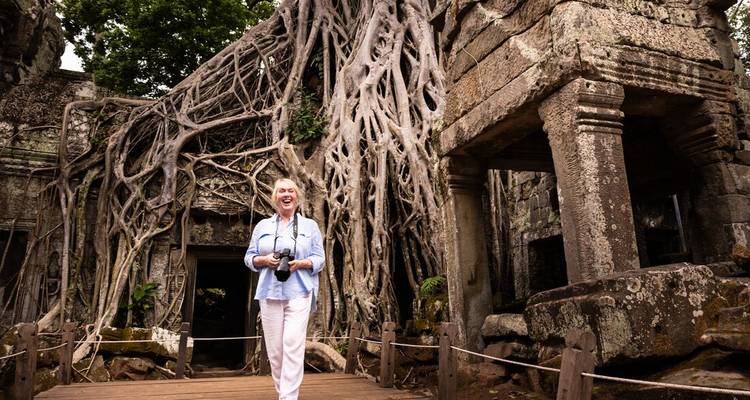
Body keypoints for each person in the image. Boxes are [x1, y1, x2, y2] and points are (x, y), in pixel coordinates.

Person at [244, 178, 325, 400]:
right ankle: (284, 393)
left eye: (290, 191)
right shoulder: (263, 226)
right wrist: (265, 260)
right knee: (275, 351)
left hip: (299, 292)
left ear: (297, 197)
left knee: (292, 345)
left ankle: (288, 398)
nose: (286, 195)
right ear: (275, 197)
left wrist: (301, 263)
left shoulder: (310, 226)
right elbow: (249, 258)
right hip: (269, 292)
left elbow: (320, 259)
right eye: (281, 191)